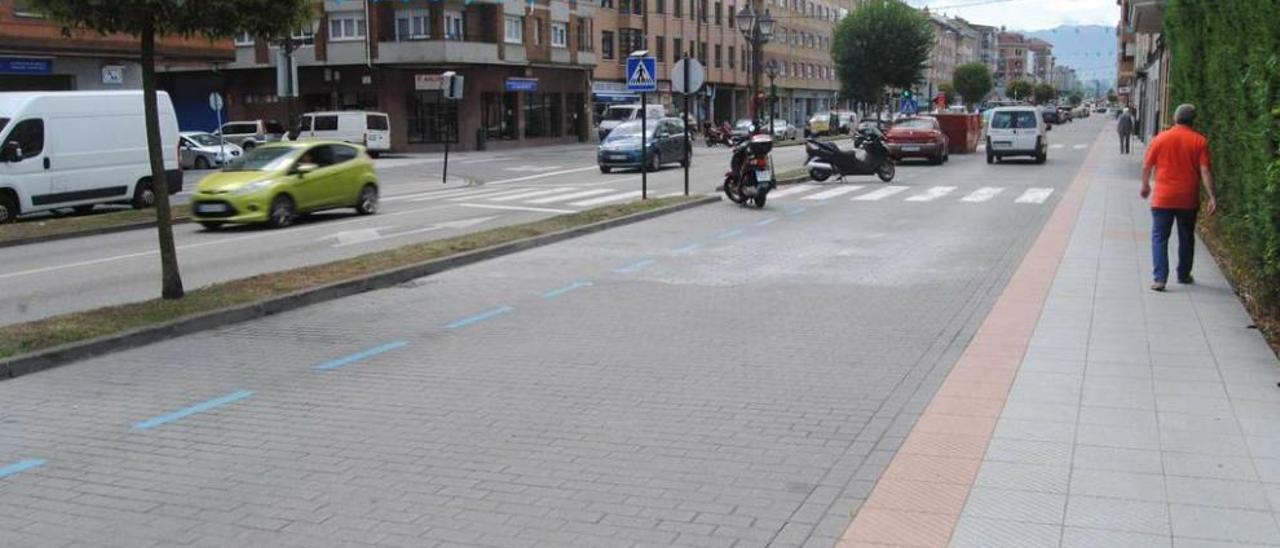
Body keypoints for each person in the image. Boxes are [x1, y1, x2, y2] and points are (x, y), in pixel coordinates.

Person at [1141, 104, 1217, 291]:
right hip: (1187, 198)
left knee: (1159, 237)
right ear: (1192, 120)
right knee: (1186, 237)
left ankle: (1160, 279)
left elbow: (1147, 166)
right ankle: (1183, 274)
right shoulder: (1199, 141)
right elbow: (1205, 170)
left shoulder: (1160, 138)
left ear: (1175, 119)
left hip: (1163, 198)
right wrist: (1212, 196)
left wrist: (1145, 186)